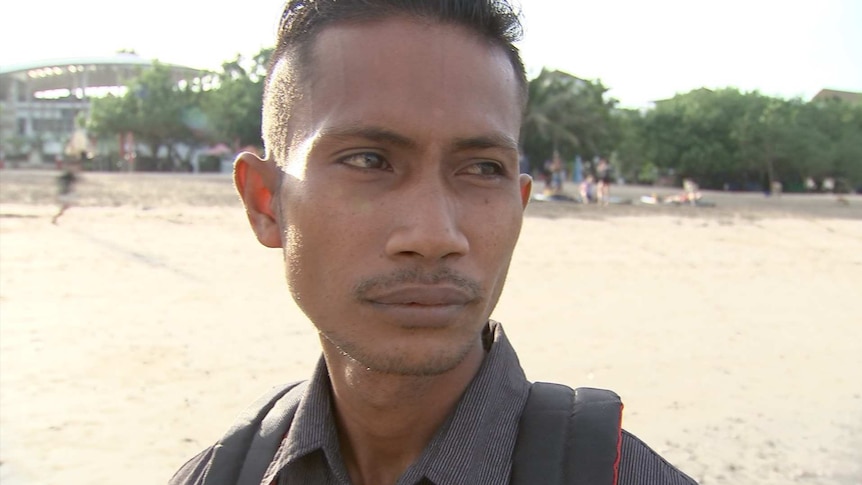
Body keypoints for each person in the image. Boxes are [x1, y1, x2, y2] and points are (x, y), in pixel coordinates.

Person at [171, 1, 697, 484]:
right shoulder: (217, 475)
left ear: (520, 204)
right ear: (266, 203)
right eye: (368, 160)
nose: (433, 236)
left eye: (482, 169)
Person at [51, 158, 81, 224]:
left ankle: (55, 218)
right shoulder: (69, 175)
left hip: (65, 193)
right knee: (65, 206)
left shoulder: (69, 175)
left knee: (65, 207)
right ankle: (55, 218)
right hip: (65, 193)